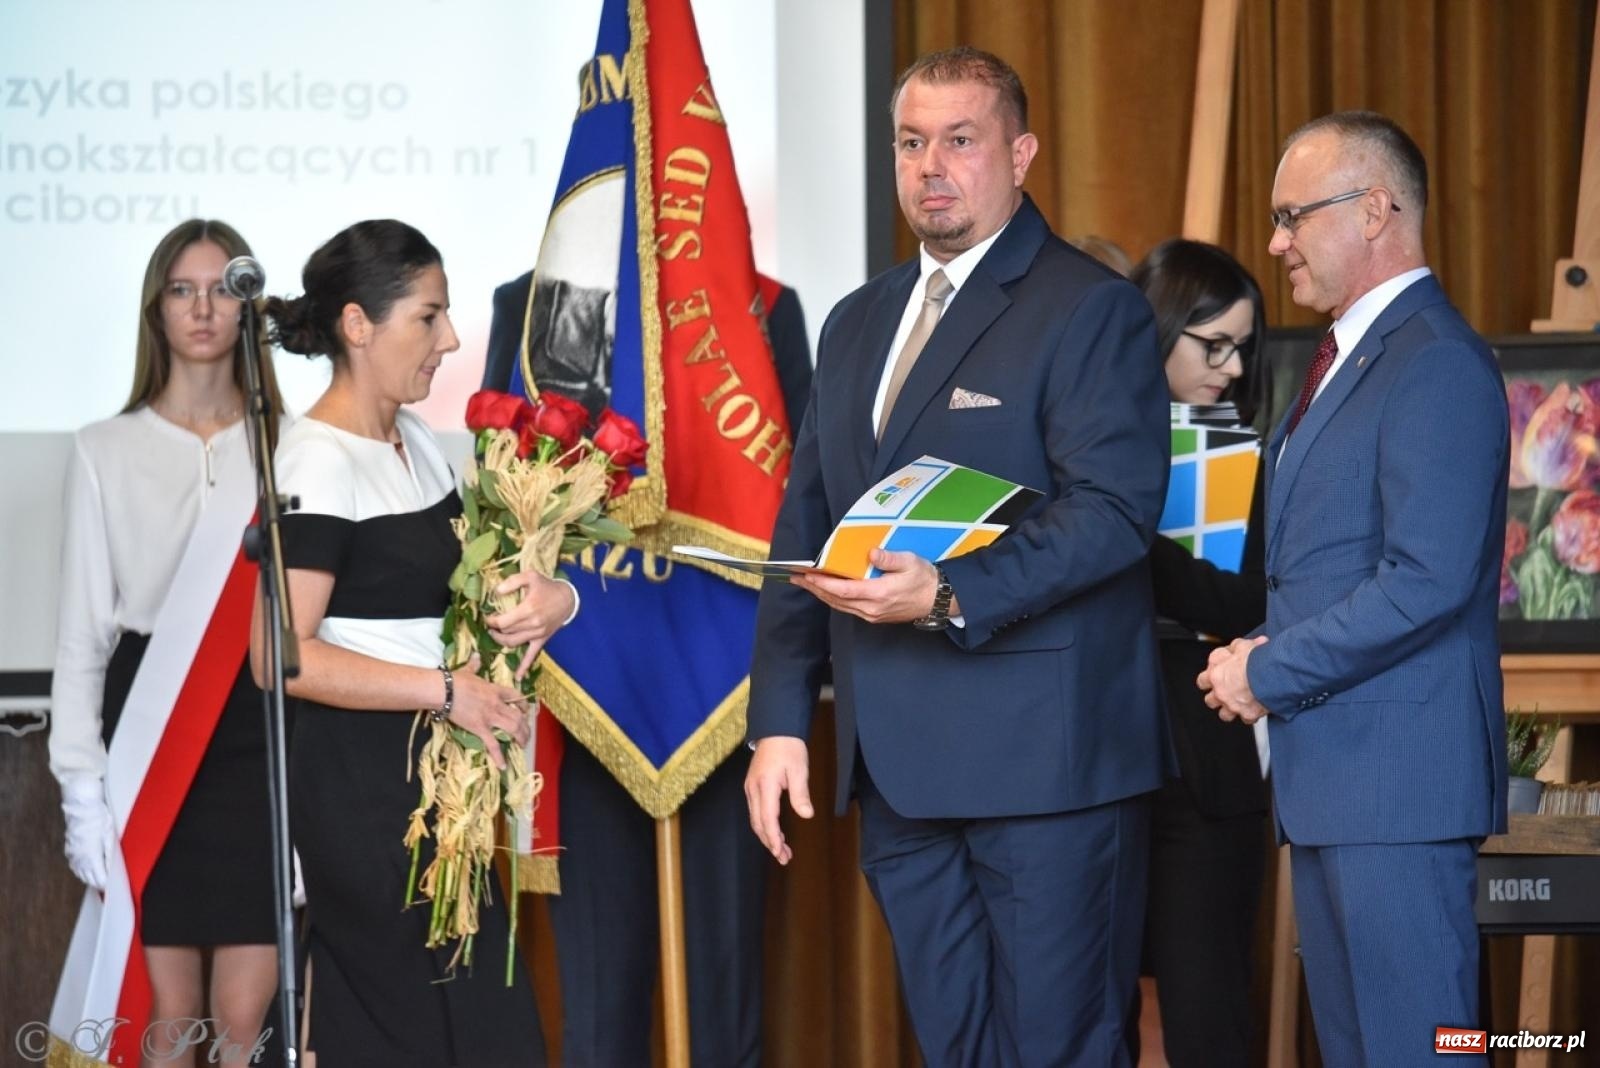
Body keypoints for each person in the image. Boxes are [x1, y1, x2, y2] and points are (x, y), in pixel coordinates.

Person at [745, 46, 1172, 1066]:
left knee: (1059, 1049)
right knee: (956, 1050)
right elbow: (805, 528)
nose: (929, 164)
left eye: (959, 139)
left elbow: (1113, 512)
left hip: (1046, 768)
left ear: (1019, 154)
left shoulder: (1087, 308)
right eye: (909, 141)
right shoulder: (854, 321)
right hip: (896, 767)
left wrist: (948, 593)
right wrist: (778, 725)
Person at [1199, 112, 1508, 1065]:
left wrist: (1269, 669)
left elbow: (1426, 581)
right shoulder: (1341, 359)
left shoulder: (1435, 362)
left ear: (1377, 210)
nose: (1275, 241)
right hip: (1338, 785)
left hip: (1399, 793)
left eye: (1294, 215)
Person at [259, 219, 576, 1067]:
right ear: (358, 325)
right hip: (366, 795)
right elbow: (278, 656)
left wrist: (557, 598)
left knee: (480, 1032)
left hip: (440, 788)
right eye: (428, 319)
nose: (452, 339)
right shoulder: (317, 462)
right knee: (415, 1034)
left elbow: (465, 604)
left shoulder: (421, 444)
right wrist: (446, 692)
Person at [482, 267, 812, 1067]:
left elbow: (801, 500)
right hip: (583, 689)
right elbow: (499, 502)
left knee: (724, 1000)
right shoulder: (530, 307)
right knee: (600, 1005)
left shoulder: (762, 306)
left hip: (722, 691)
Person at [49, 219, 286, 1066]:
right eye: (182, 290)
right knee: (167, 1016)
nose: (203, 309)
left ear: (247, 307)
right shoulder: (104, 449)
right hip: (154, 732)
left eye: (223, 289)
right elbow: (82, 636)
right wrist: (80, 787)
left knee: (240, 1020)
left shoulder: (287, 449)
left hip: (259, 729)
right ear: (156, 309)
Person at [1130, 239, 1271, 1065]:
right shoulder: (1080, 442)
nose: (1229, 364)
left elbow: (1247, 602)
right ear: (1156, 330)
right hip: (1094, 755)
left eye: (1242, 346)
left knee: (1208, 1008)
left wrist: (1125, 539)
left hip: (1209, 756)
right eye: (1210, 343)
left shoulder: (1247, 452)